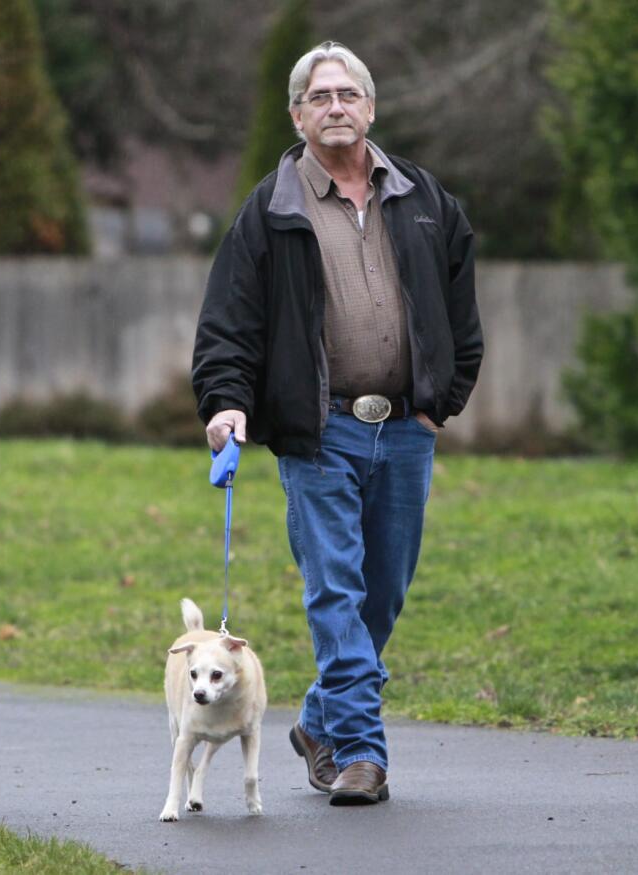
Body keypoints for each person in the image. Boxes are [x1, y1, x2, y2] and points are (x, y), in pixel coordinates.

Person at [191, 41, 482, 806]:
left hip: (406, 430)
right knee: (336, 592)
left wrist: (438, 400)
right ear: (297, 114)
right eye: (319, 97)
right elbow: (229, 320)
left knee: (380, 594)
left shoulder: (425, 199)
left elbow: (461, 310)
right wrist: (227, 399)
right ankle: (359, 751)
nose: (336, 107)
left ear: (372, 107)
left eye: (348, 94)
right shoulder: (272, 209)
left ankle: (319, 717)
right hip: (318, 430)